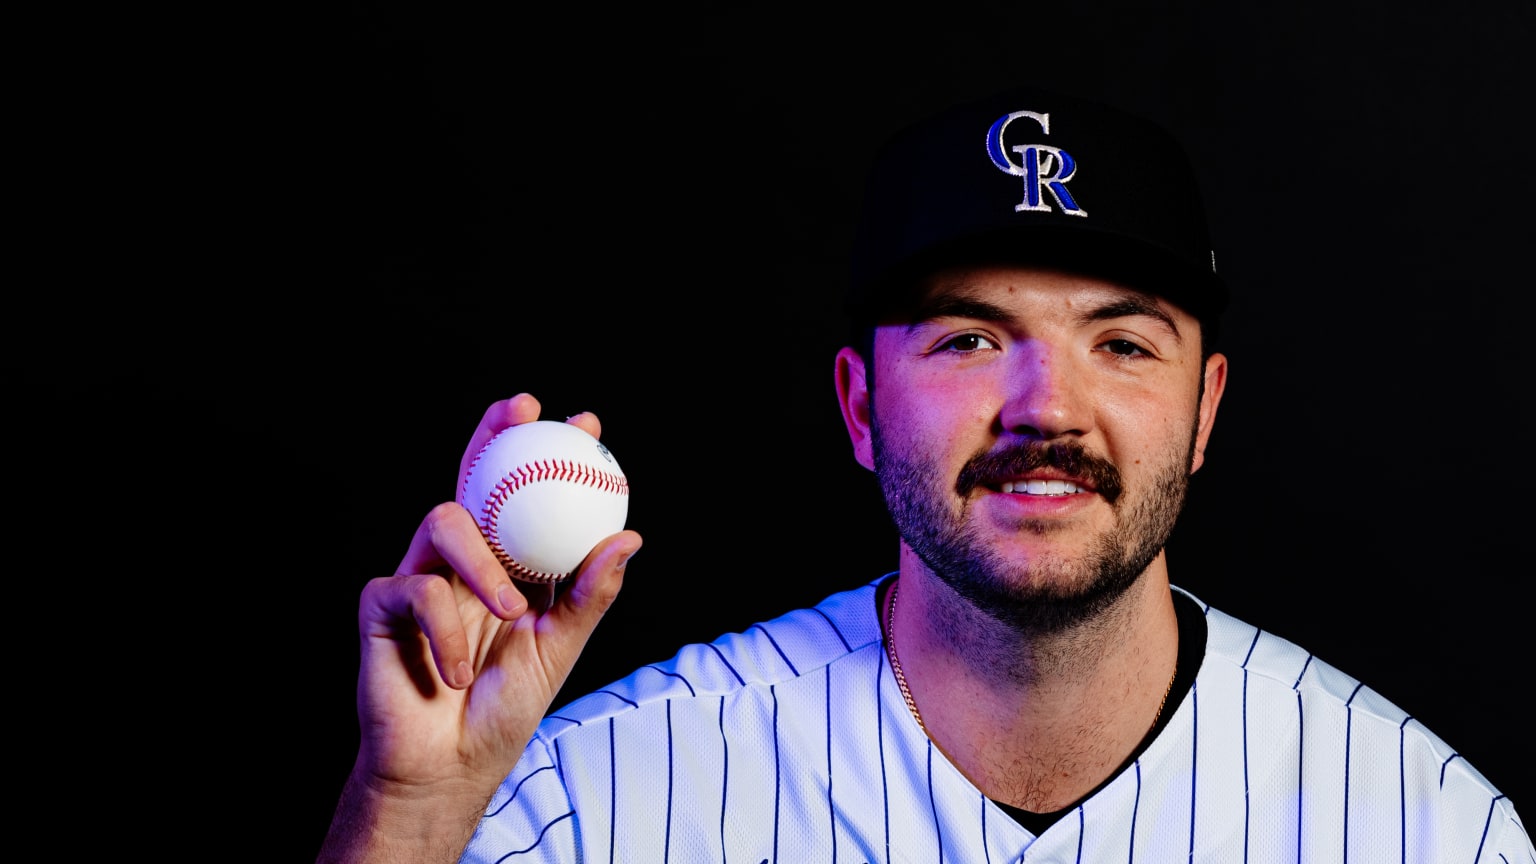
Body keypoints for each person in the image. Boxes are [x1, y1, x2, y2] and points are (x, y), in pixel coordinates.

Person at [317, 86, 1533, 863]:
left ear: (1204, 409)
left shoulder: (1426, 826)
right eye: (968, 339)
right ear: (858, 405)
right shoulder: (595, 798)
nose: (1046, 406)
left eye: (1120, 343)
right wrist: (414, 811)